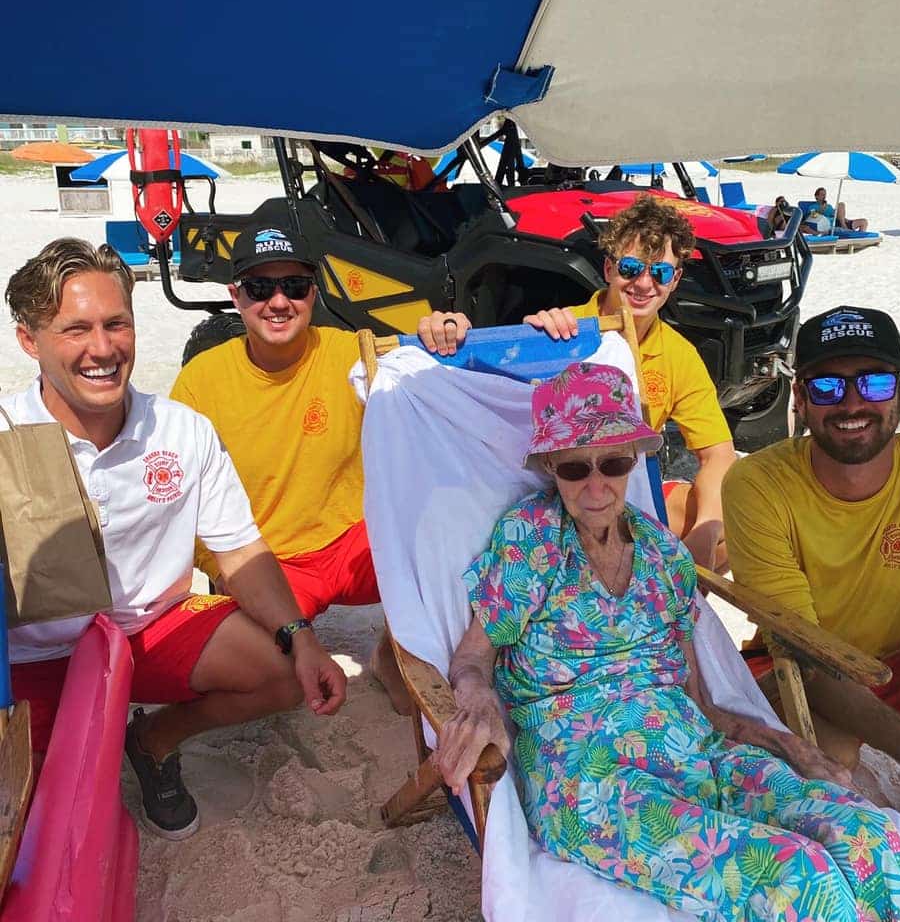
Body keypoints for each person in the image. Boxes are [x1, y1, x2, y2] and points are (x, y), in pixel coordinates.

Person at [435, 361, 900, 920]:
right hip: (587, 779)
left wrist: (790, 746)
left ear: (636, 458)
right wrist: (477, 699)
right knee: (798, 874)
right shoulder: (528, 539)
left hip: (694, 752)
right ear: (551, 465)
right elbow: (474, 657)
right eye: (576, 467)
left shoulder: (663, 555)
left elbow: (704, 704)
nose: (597, 485)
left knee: (867, 833)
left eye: (615, 462)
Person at [3, 238, 347, 841]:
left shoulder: (181, 430)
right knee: (41, 822)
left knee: (285, 670)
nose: (103, 349)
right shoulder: (6, 437)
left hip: (148, 629)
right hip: (37, 655)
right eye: (75, 329)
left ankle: (155, 739)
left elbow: (239, 549)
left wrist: (302, 636)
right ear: (29, 340)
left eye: (117, 324)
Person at [170, 220, 471, 715]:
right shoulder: (200, 383)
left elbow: (439, 386)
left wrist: (448, 335)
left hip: (354, 540)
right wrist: (222, 576)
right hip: (267, 561)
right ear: (235, 295)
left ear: (314, 292)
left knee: (454, 551)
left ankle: (393, 659)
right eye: (259, 287)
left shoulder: (353, 351)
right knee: (266, 667)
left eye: (294, 286)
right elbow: (187, 505)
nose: (278, 301)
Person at [723, 305, 900, 831]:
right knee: (833, 764)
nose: (852, 402)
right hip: (793, 669)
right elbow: (803, 651)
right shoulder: (758, 485)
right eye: (827, 387)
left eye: (874, 383)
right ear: (800, 400)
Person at [422, 195, 736, 571]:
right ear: (608, 268)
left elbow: (718, 452)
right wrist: (448, 336)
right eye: (631, 267)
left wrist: (706, 528)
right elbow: (484, 395)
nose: (643, 283)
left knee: (731, 529)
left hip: (621, 492)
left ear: (676, 280)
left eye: (660, 273)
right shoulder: (559, 330)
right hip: (554, 493)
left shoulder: (678, 355)